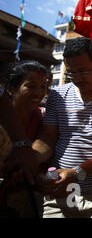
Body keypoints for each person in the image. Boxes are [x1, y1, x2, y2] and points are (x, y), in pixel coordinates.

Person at [31, 37, 92, 218]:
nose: (77, 78)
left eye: (83, 71)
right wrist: (31, 159)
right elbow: (47, 139)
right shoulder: (58, 95)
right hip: (59, 192)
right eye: (72, 73)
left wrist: (77, 172)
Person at [0, 60, 49, 217]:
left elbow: (46, 145)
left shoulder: (41, 117)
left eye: (43, 86)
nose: (39, 93)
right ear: (10, 88)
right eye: (31, 86)